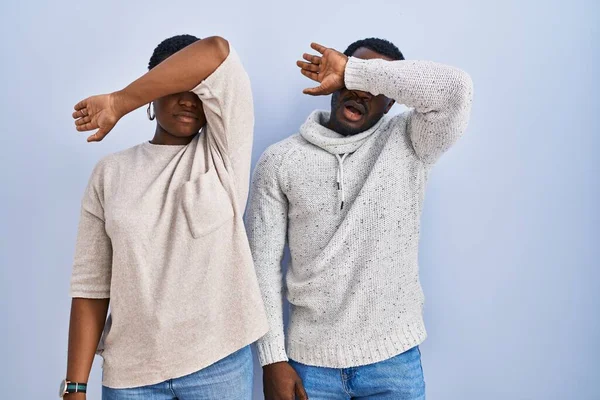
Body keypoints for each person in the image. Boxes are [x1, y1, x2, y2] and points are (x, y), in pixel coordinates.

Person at [246, 38, 473, 400]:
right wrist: (272, 360)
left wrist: (358, 71)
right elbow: (261, 267)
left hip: (393, 363)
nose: (361, 92)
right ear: (335, 87)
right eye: (352, 80)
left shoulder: (411, 141)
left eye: (375, 86)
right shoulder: (280, 160)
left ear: (390, 101)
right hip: (309, 365)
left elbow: (455, 89)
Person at [61, 34, 268, 400]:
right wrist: (74, 388)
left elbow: (216, 51)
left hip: (217, 364)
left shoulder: (223, 156)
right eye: (175, 86)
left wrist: (119, 102)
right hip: (131, 375)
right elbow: (92, 285)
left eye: (197, 88)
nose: (189, 98)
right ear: (152, 94)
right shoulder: (110, 173)